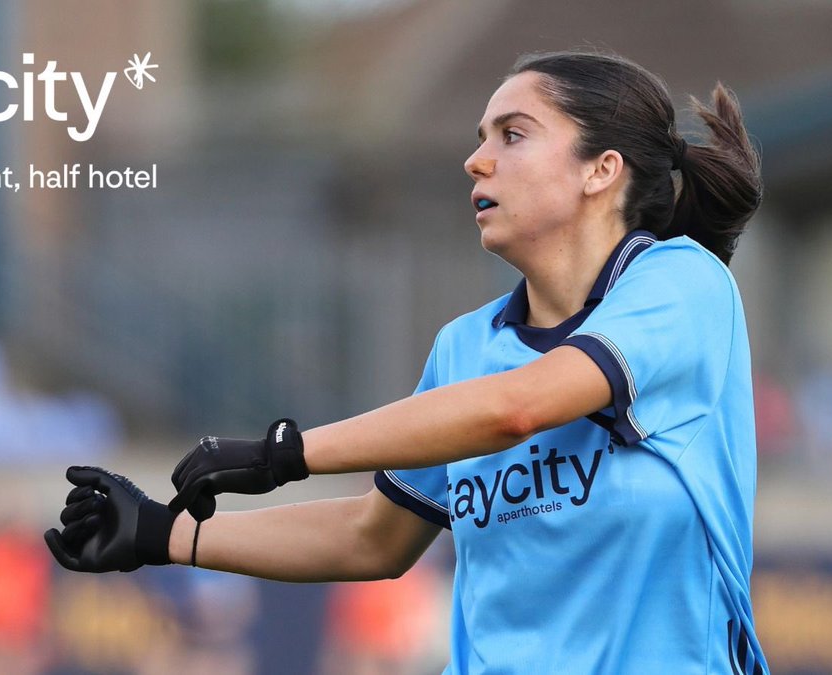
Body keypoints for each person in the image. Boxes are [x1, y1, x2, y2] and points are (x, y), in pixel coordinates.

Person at [45, 50, 769, 674]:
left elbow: (515, 408)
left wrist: (286, 452)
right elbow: (374, 536)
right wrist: (165, 536)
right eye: (481, 137)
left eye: (513, 135)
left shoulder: (682, 284)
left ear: (600, 170)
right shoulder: (465, 345)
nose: (476, 159)